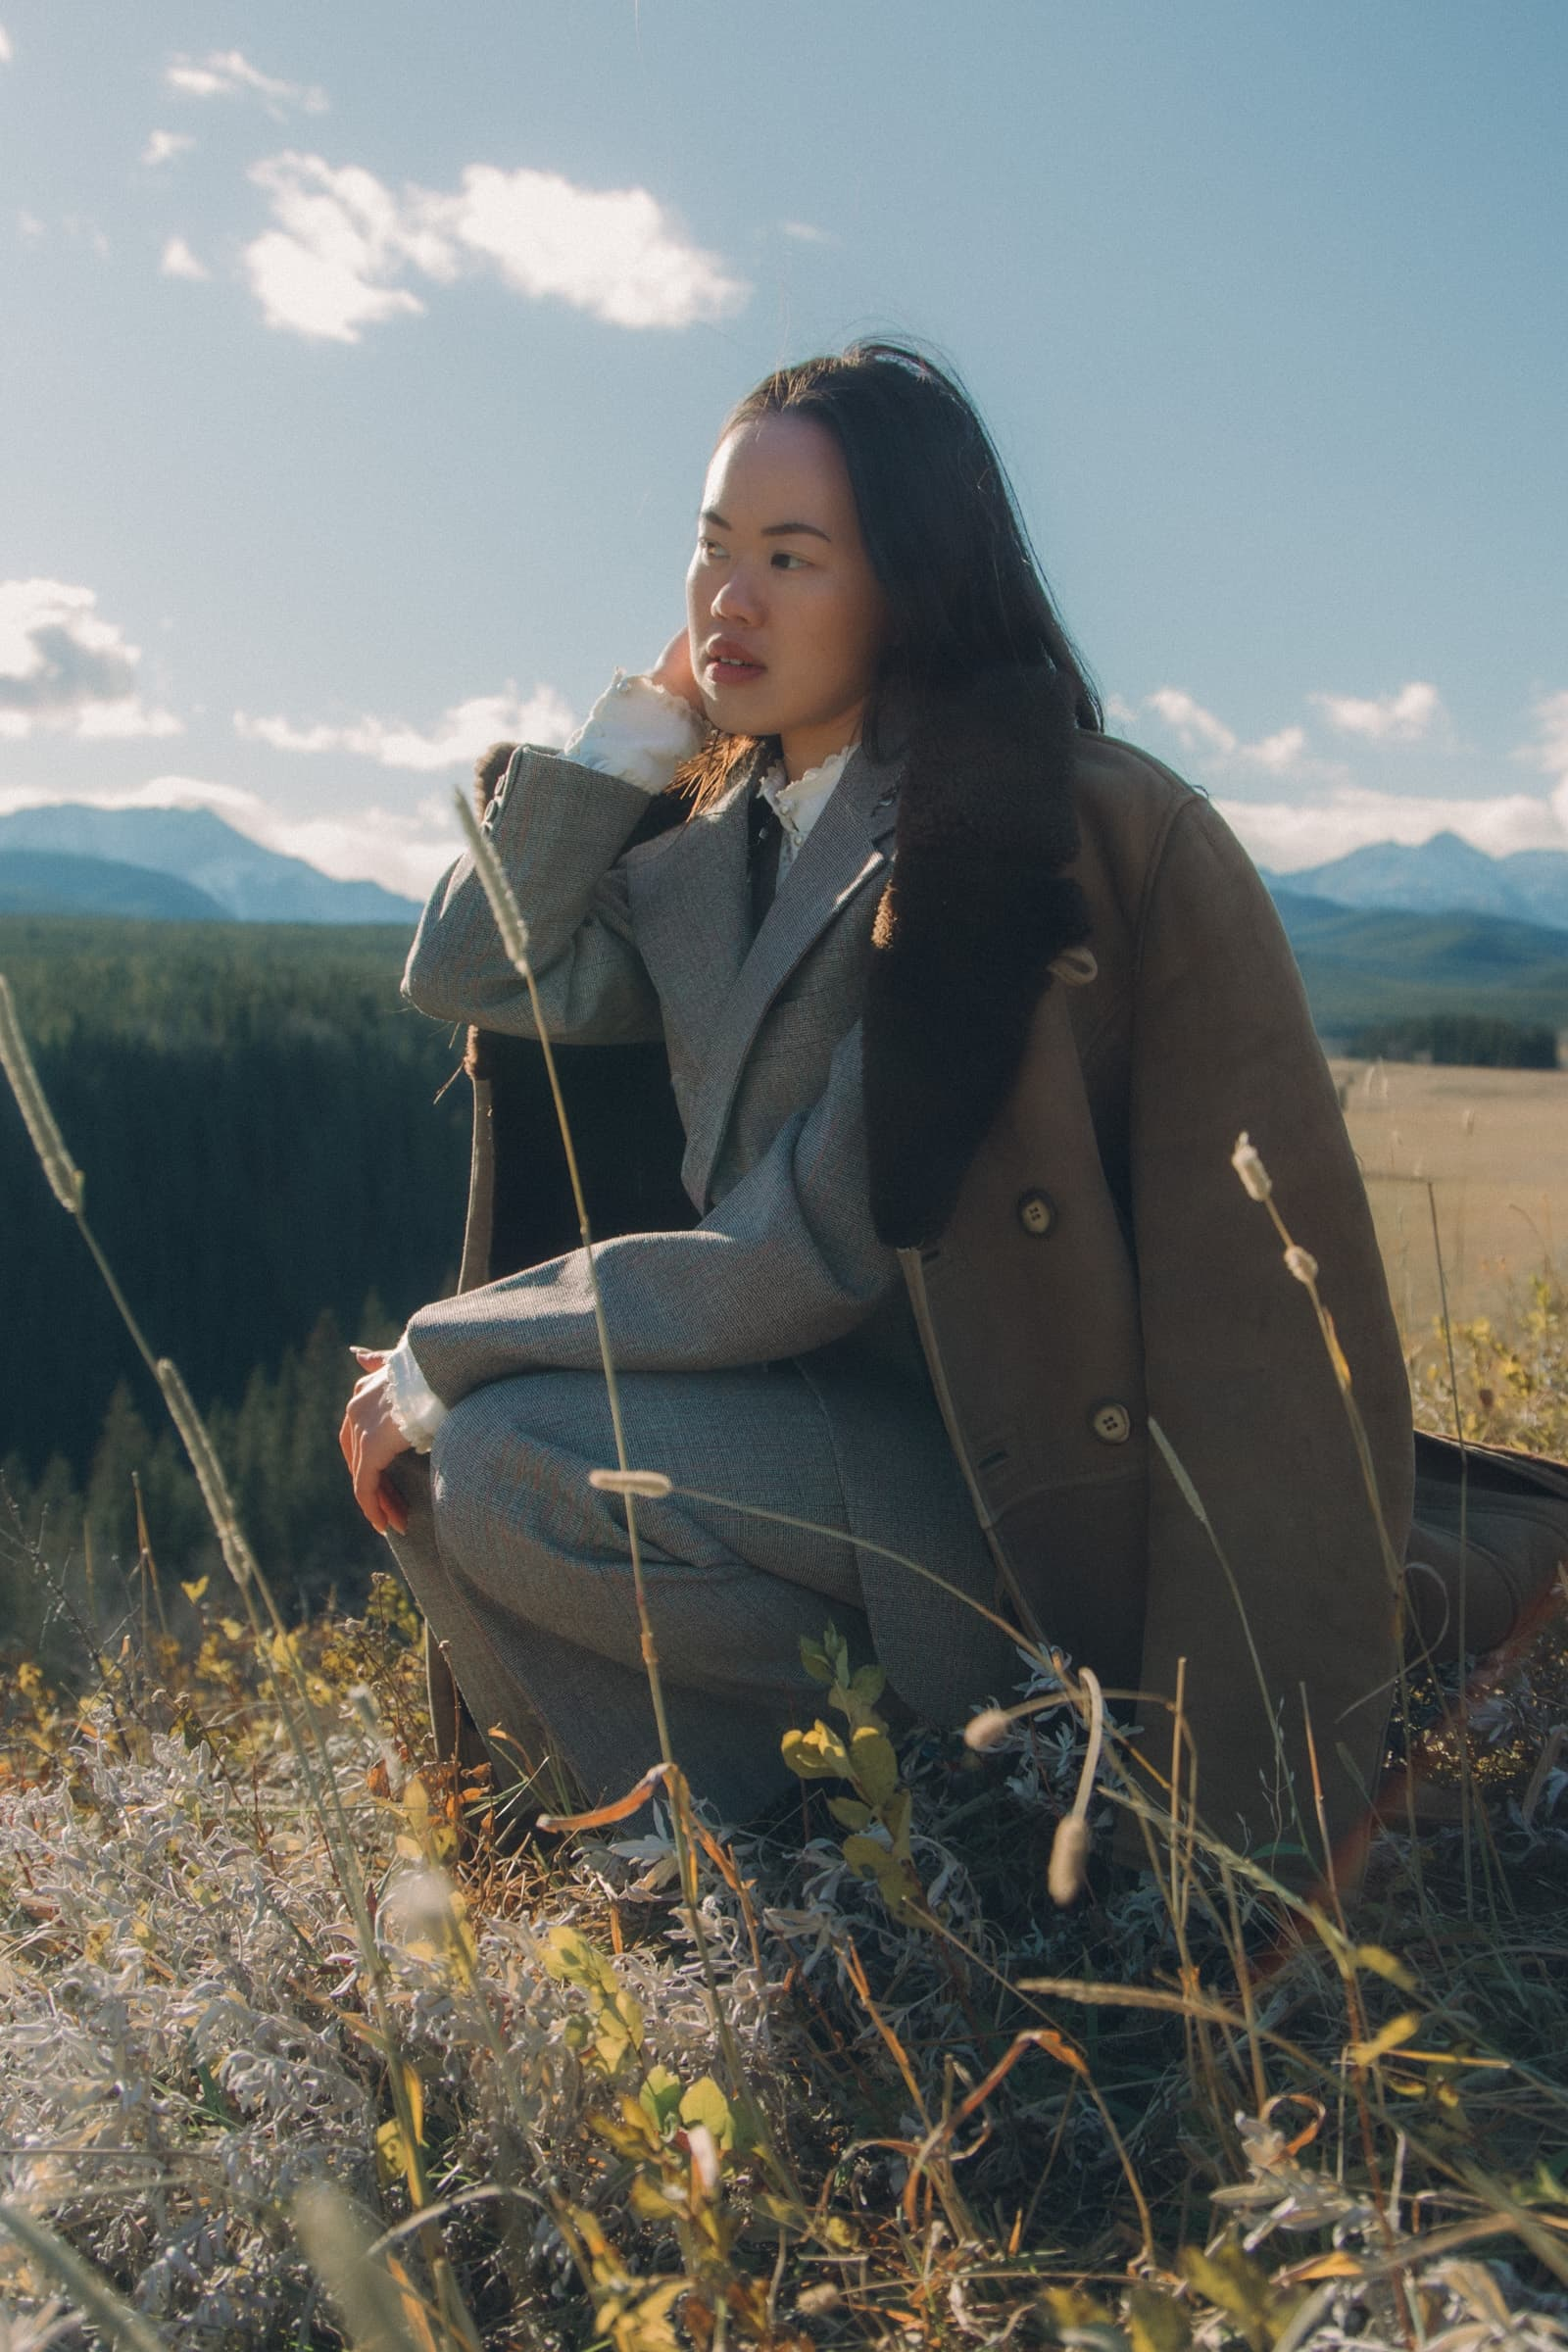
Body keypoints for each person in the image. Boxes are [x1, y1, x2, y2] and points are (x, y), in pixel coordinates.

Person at [340, 342, 1566, 1879]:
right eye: (714, 550)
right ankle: (704, 1875)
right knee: (442, 1476)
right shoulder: (718, 851)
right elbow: (469, 963)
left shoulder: (1005, 838)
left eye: (794, 557)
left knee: (503, 1454)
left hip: (1011, 1501)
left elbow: (805, 1250)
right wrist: (644, 729)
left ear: (908, 579)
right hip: (814, 1455)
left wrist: (453, 1349)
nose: (734, 598)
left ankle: (819, 1875)